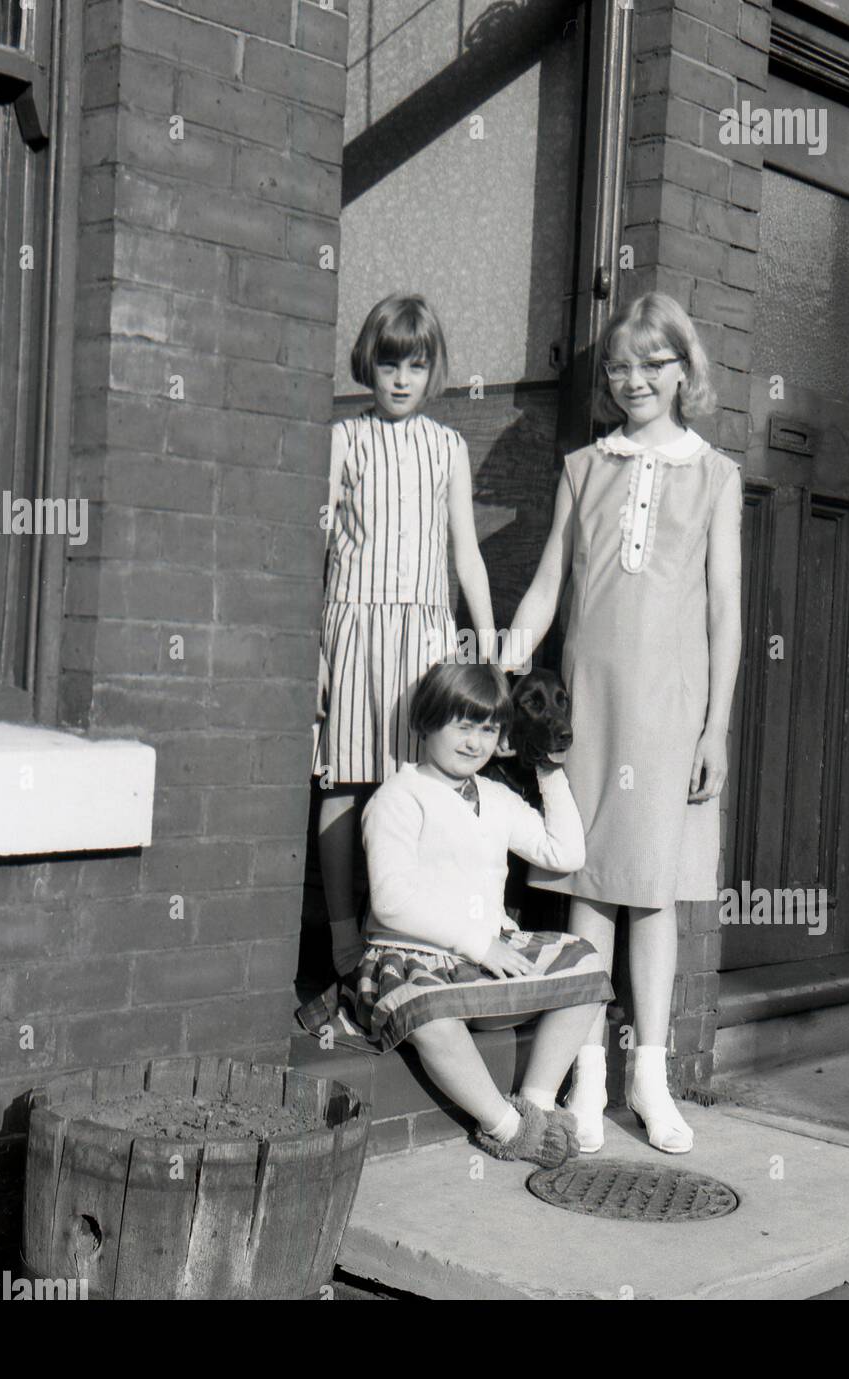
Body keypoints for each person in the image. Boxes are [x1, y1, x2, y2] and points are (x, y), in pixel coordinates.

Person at [504, 291, 743, 1154]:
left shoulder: (714, 475)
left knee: (652, 896)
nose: (633, 379)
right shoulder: (584, 466)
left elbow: (724, 613)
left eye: (652, 364)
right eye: (619, 365)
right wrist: (507, 657)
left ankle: (648, 1075)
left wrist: (714, 730)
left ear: (685, 371)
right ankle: (583, 1078)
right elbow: (545, 586)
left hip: (669, 711)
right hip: (585, 707)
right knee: (585, 886)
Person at [353, 661, 614, 1166]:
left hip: (482, 961)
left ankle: (535, 1104)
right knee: (431, 1020)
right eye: (463, 726)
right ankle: (506, 1125)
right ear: (425, 723)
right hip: (412, 958)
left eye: (489, 729)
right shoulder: (399, 798)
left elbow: (565, 854)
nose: (476, 743)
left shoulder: (496, 798)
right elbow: (391, 901)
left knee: (587, 963)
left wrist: (547, 769)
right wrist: (478, 942)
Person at [315, 294, 495, 980]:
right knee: (347, 781)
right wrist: (314, 649)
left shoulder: (448, 446)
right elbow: (320, 548)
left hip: (424, 636)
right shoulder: (344, 438)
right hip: (356, 627)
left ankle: (401, 931)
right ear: (369, 363)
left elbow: (465, 553)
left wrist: (484, 643)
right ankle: (341, 936)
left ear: (431, 371)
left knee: (420, 788)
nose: (399, 379)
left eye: (414, 366)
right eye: (388, 363)